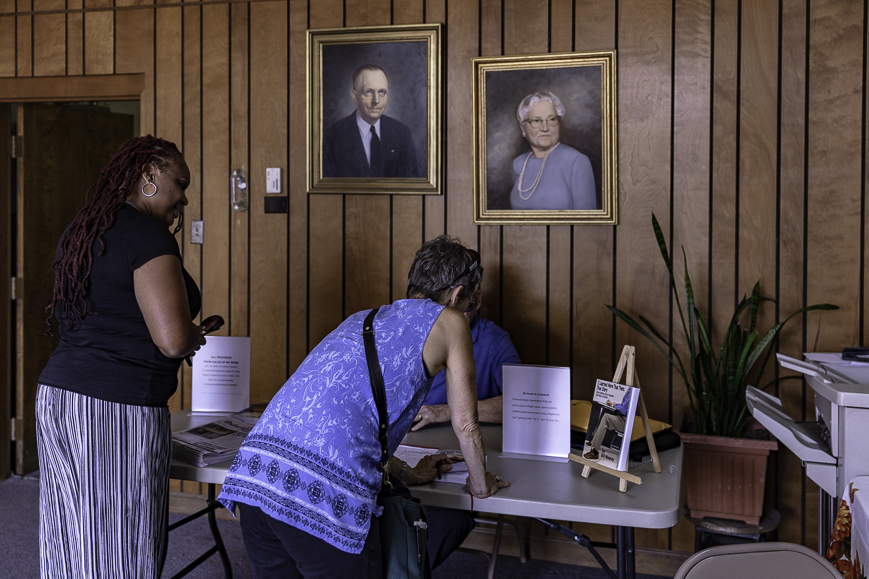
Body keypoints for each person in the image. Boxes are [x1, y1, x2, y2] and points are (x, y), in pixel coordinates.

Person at [218, 235, 510, 578]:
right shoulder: (450, 321)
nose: (468, 310)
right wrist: (480, 484)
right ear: (458, 294)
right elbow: (466, 423)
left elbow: (348, 417)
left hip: (257, 474)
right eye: (469, 302)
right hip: (320, 494)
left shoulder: (364, 318)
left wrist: (405, 471)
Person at [36, 135, 207, 578]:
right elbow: (171, 340)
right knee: (123, 548)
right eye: (180, 182)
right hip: (114, 407)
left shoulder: (84, 228)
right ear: (149, 174)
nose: (184, 197)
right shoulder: (147, 236)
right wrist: (192, 334)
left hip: (60, 398)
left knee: (70, 537)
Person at [411, 273, 520, 569]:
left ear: (475, 300)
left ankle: (406, 569)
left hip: (464, 450)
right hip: (412, 445)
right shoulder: (420, 331)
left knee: (451, 516)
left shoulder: (495, 341)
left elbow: (520, 404)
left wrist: (444, 411)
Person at [322, 63, 423, 178]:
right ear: (355, 97)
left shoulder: (402, 133)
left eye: (382, 92)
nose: (376, 100)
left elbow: (412, 187)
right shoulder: (332, 137)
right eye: (369, 92)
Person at [509, 91, 597, 211]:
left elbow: (587, 222)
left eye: (551, 119)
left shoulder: (576, 162)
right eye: (536, 121)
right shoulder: (519, 164)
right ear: (523, 128)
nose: (545, 128)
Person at [583, 389, 633, 461]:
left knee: (606, 417)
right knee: (605, 415)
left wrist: (614, 404)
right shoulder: (630, 389)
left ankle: (595, 452)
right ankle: (593, 441)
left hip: (626, 422)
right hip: (622, 418)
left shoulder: (632, 390)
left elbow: (623, 409)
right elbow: (625, 406)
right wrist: (613, 404)